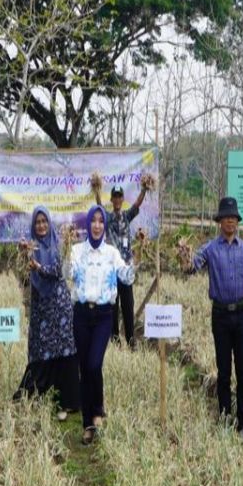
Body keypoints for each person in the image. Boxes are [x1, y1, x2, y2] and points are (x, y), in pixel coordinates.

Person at [184, 196, 243, 445]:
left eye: (233, 218)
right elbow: (193, 265)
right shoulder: (210, 249)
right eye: (226, 218)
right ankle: (225, 419)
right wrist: (186, 261)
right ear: (220, 222)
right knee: (224, 371)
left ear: (237, 222)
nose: (230, 222)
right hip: (221, 315)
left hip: (242, 315)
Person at [69, 204, 133, 445]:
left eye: (100, 221)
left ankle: (98, 408)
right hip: (82, 315)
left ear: (104, 225)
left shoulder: (112, 253)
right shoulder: (76, 251)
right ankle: (89, 422)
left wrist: (135, 261)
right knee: (85, 368)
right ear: (88, 225)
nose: (97, 225)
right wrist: (67, 258)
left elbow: (126, 277)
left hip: (105, 315)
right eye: (93, 221)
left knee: (95, 364)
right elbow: (70, 274)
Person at [15, 206, 80, 419]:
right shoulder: (31, 247)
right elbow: (22, 277)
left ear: (49, 223)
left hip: (59, 306)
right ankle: (34, 394)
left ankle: (67, 402)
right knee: (41, 347)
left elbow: (56, 271)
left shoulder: (59, 245)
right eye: (37, 222)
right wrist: (24, 256)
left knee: (64, 349)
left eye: (44, 221)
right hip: (41, 306)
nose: (41, 225)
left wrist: (38, 267)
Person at [94, 181, 148, 348]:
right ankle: (115, 340)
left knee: (128, 304)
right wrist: (96, 189)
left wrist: (144, 188)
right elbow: (99, 206)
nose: (117, 200)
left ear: (122, 199)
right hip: (111, 269)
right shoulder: (107, 218)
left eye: (119, 196)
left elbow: (137, 204)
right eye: (115, 197)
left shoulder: (127, 216)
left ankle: (131, 341)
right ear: (111, 199)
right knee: (113, 306)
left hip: (126, 269)